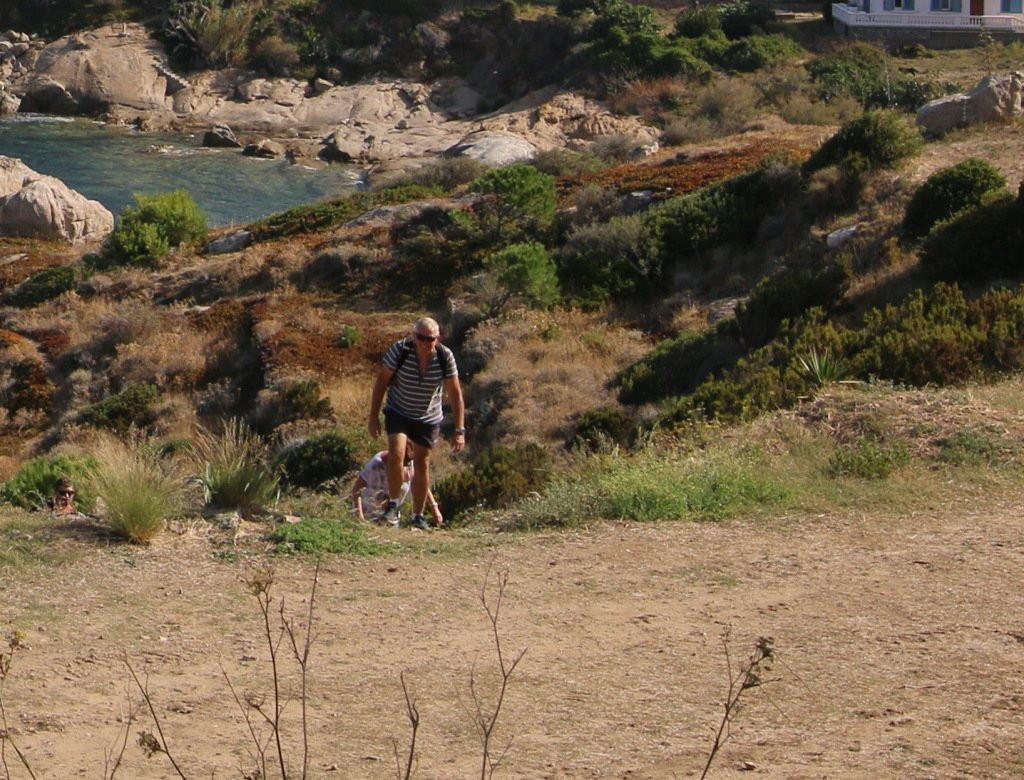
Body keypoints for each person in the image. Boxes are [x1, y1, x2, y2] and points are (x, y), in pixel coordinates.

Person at [368, 316, 465, 530]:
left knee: (422, 463)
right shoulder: (400, 350)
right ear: (413, 336)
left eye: (429, 339)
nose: (423, 343)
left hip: (427, 416)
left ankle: (418, 516)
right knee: (396, 454)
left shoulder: (444, 357)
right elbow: (382, 382)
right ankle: (393, 506)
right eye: (420, 337)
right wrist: (373, 416)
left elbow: (455, 394)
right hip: (398, 410)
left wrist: (459, 430)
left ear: (437, 339)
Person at [351, 449, 443, 526]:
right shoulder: (377, 464)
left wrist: (434, 507)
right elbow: (357, 488)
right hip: (368, 516)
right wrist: (359, 517)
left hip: (391, 519)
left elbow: (421, 485)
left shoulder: (411, 462)